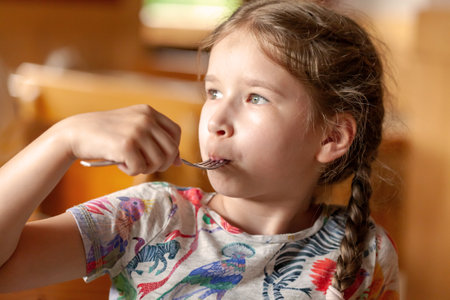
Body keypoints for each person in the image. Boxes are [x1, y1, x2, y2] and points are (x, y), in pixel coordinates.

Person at [0, 0, 399, 299]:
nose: (214, 119)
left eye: (255, 98)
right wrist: (62, 139)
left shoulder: (368, 249)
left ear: (332, 138)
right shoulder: (149, 218)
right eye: (213, 91)